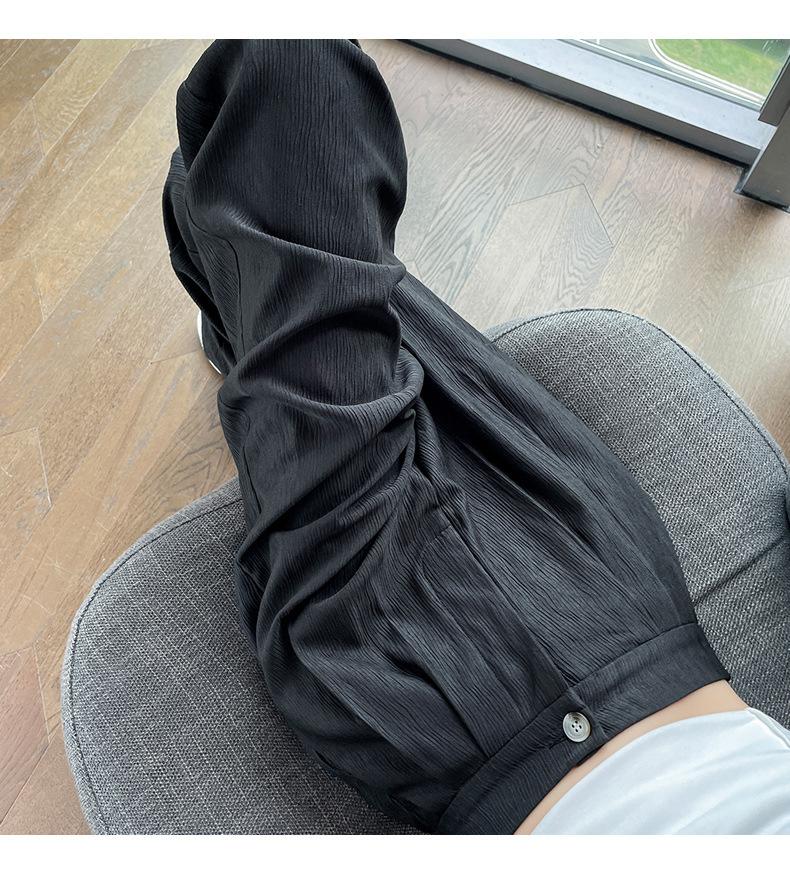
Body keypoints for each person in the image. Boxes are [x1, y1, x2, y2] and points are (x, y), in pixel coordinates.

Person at [162, 39, 790, 834]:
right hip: (638, 628)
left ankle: (241, 314)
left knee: (288, 75)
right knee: (286, 223)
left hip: (442, 693)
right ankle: (239, 323)